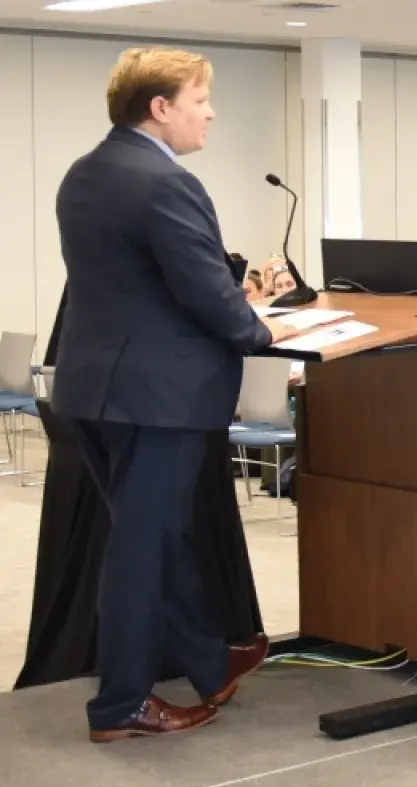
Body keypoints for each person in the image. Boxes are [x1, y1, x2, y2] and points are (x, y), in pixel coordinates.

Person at [52, 47, 288, 740]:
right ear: (160, 108)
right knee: (143, 546)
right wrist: (261, 326)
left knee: (154, 534)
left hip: (93, 387)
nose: (210, 112)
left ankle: (210, 662)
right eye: (199, 100)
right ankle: (122, 702)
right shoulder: (165, 183)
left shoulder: (85, 172)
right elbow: (206, 294)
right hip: (158, 397)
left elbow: (139, 286)